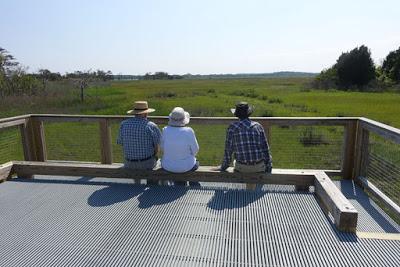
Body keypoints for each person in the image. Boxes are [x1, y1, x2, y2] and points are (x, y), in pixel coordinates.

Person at [217, 102, 272, 190]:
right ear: (248, 113)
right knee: (265, 159)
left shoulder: (232, 127)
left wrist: (223, 167)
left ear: (237, 115)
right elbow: (265, 149)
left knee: (236, 161)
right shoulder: (258, 126)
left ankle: (249, 193)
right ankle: (253, 192)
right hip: (258, 167)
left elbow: (228, 151)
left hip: (242, 167)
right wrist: (269, 167)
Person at [117, 101, 161, 185]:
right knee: (159, 163)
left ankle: (137, 184)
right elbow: (157, 146)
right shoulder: (151, 125)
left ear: (134, 113)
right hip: (146, 164)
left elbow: (121, 142)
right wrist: (154, 155)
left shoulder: (123, 124)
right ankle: (152, 187)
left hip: (128, 163)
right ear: (146, 114)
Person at [161, 107, 200, 186]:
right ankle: (194, 186)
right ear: (183, 119)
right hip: (186, 166)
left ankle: (180, 185)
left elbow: (162, 148)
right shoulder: (189, 131)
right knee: (196, 163)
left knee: (180, 167)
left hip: (168, 165)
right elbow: (195, 150)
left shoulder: (165, 130)